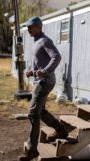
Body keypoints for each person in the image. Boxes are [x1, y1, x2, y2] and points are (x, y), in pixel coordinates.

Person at [18, 17, 68, 161]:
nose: (28, 29)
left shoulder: (45, 40)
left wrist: (45, 71)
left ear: (38, 27)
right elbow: (41, 64)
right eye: (27, 27)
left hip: (45, 81)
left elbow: (56, 57)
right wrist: (32, 72)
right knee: (41, 111)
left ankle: (32, 149)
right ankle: (61, 130)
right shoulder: (36, 42)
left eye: (30, 27)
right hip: (40, 80)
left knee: (33, 112)